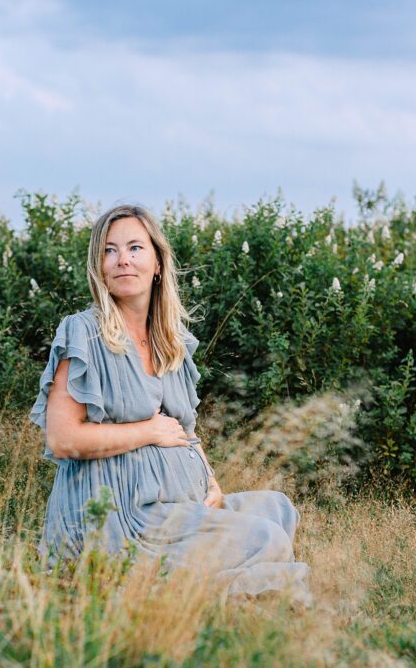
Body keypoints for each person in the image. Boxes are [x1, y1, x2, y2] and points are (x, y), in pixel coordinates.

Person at [29, 204, 311, 601]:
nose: (122, 259)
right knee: (265, 538)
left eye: (134, 248)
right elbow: (62, 438)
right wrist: (147, 431)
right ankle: (227, 599)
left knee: (278, 510)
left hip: (179, 502)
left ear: (158, 263)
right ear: (99, 267)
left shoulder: (169, 339)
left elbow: (184, 431)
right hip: (123, 515)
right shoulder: (84, 331)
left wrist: (210, 482)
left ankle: (230, 593)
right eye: (109, 251)